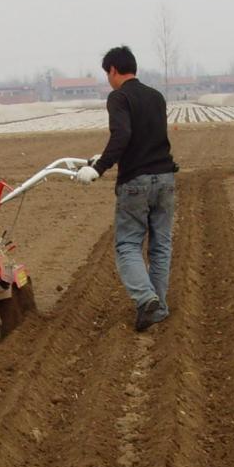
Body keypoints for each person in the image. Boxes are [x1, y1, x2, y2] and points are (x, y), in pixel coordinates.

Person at [76, 45, 178, 332]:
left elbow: (123, 134)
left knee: (128, 244)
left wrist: (98, 169)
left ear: (113, 70)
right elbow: (143, 138)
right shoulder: (156, 97)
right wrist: (103, 157)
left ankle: (146, 300)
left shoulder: (118, 97)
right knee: (161, 245)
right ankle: (159, 307)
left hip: (137, 183)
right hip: (166, 178)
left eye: (107, 74)